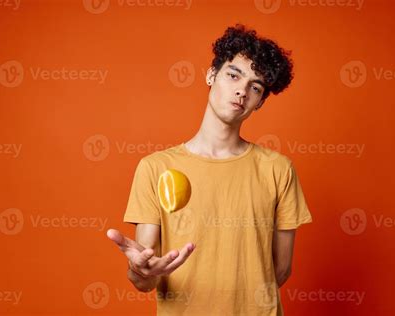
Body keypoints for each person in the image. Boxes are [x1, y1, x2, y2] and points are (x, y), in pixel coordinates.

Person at [107, 24, 313, 315]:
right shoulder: (156, 168)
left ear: (260, 102)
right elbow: (146, 275)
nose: (242, 90)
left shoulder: (278, 170)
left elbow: (279, 270)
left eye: (256, 87)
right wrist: (139, 270)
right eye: (233, 75)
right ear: (211, 75)